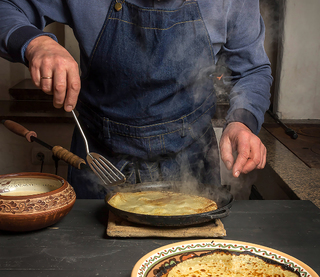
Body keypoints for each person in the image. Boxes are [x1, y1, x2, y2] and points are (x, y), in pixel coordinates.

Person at [0, 0, 272, 199]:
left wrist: (243, 122)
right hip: (101, 160)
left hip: (193, 160)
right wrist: (36, 44)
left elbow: (252, 69)